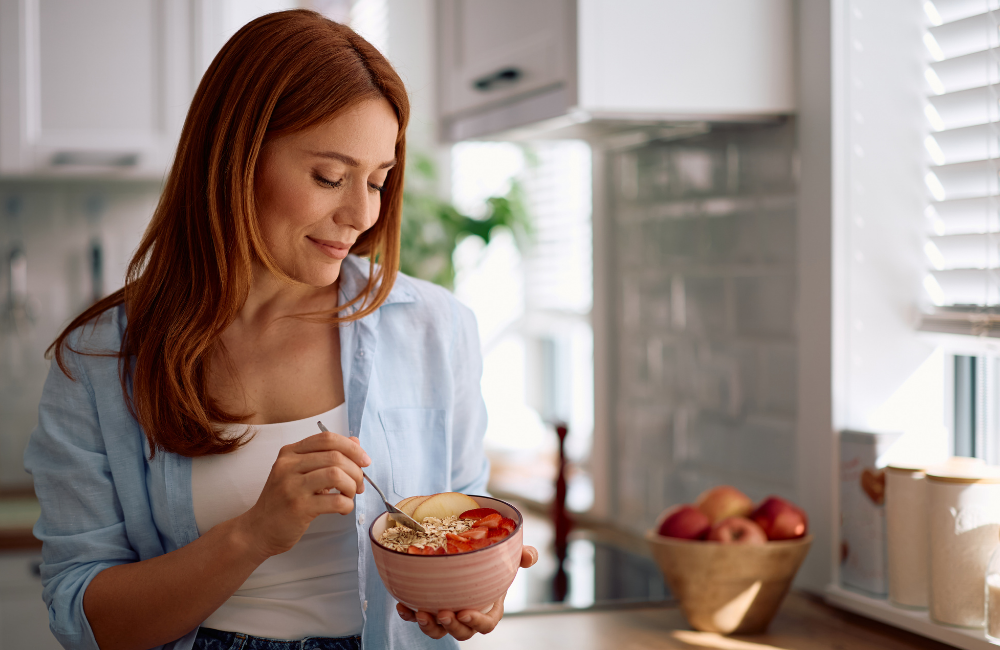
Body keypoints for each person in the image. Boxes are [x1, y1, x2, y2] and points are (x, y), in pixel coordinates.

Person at [24, 10, 537, 650]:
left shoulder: (435, 328)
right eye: (329, 177)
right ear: (235, 156)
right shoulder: (102, 357)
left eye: (378, 182)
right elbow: (86, 617)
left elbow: (461, 513)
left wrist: (472, 591)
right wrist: (253, 533)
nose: (360, 213)